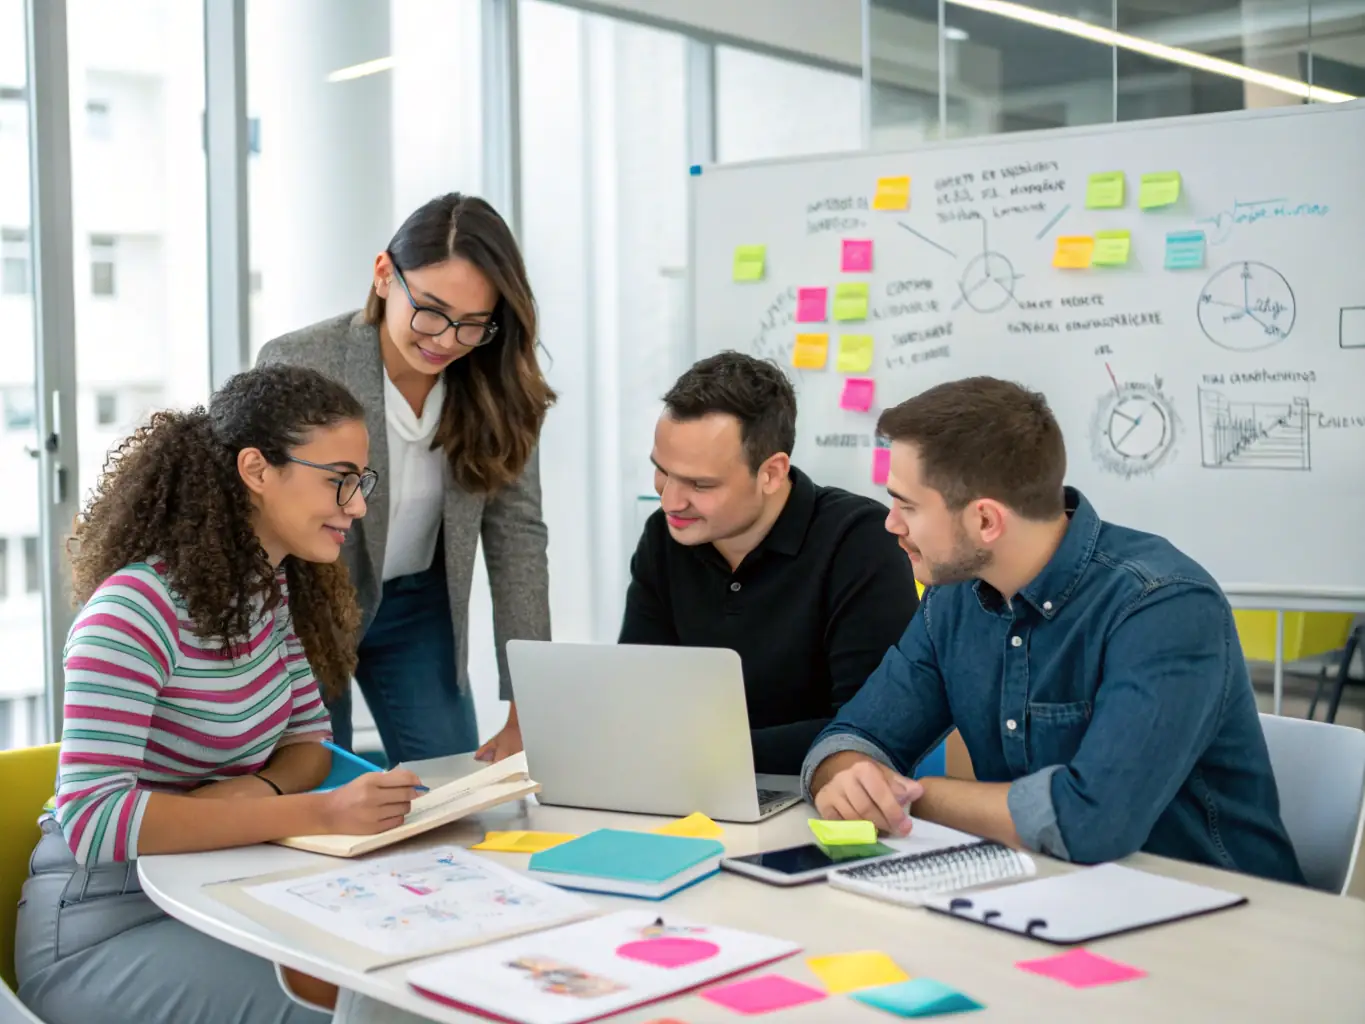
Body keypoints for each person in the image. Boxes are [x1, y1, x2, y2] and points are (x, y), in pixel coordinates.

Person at [14, 364, 427, 1023]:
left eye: (361, 481)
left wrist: (254, 792)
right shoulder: (131, 612)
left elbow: (307, 740)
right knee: (360, 1013)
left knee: (404, 979)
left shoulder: (266, 592)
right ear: (258, 470)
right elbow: (95, 823)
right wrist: (312, 815)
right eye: (338, 481)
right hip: (105, 927)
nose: (357, 506)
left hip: (214, 884)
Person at [803, 376, 1305, 884]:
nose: (891, 523)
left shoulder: (1164, 605)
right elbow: (851, 737)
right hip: (1048, 891)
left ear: (986, 521)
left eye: (907, 505)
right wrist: (849, 777)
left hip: (1220, 916)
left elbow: (1092, 822)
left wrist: (913, 795)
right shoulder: (953, 598)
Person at [258, 193, 555, 766]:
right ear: (384, 275)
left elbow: (519, 535)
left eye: (473, 325)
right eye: (433, 311)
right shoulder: (301, 363)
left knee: (450, 785)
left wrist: (528, 702)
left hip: (419, 605)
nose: (445, 340)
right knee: (319, 780)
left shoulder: (499, 386)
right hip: (307, 606)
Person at [619, 351, 920, 775]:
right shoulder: (664, 537)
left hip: (818, 798)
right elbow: (640, 698)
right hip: (693, 787)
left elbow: (868, 729)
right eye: (662, 471)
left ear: (772, 473)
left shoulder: (860, 541)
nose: (670, 500)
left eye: (700, 484)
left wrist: (698, 753)